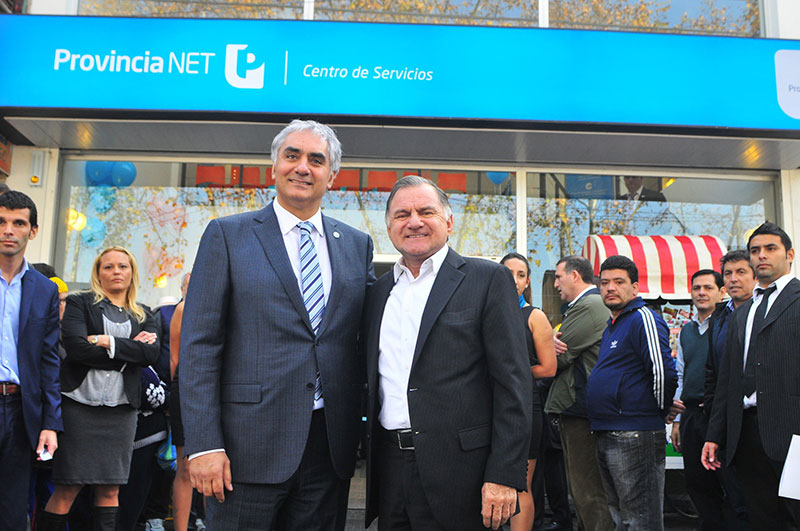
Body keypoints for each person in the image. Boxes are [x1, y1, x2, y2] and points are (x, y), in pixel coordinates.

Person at [179, 119, 375, 530]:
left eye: (316, 160)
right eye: (292, 156)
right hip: (243, 451)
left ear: (332, 176)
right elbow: (199, 348)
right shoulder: (227, 235)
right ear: (274, 167)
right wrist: (204, 444)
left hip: (329, 450)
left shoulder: (357, 245)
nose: (303, 167)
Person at [363, 176, 532, 531]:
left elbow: (513, 385)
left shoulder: (488, 279)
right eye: (402, 214)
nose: (414, 222)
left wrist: (504, 474)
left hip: (463, 477)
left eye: (426, 212)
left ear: (449, 221)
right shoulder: (378, 292)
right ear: (389, 227)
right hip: (390, 470)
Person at [38, 246, 160, 531]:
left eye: (123, 266)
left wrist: (105, 341)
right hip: (78, 407)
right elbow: (77, 349)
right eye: (108, 267)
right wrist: (129, 352)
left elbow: (150, 355)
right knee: (68, 486)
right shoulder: (80, 303)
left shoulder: (143, 314)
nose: (116, 271)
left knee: (111, 488)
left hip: (121, 412)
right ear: (98, 273)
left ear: (132, 273)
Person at [703, 222, 800, 529]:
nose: (762, 256)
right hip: (745, 434)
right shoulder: (743, 312)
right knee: (759, 518)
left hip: (792, 434)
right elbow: (727, 381)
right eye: (755, 250)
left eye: (770, 249)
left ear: (790, 255)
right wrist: (714, 435)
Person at [586, 255, 678, 531]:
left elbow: (663, 372)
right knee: (621, 518)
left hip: (635, 432)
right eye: (604, 283)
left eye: (618, 282)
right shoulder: (612, 325)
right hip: (608, 429)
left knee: (641, 520)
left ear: (635, 287)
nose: (610, 288)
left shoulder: (643, 318)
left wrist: (659, 410)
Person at [0, 191, 61, 531]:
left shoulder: (44, 289)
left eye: (18, 223)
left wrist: (50, 423)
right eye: (1, 222)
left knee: (12, 512)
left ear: (33, 231)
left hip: (19, 410)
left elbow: (48, 361)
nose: (8, 230)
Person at [546, 255, 613, 531]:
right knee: (582, 488)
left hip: (581, 410)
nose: (555, 285)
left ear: (575, 276)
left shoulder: (589, 305)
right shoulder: (584, 306)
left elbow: (556, 358)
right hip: (578, 409)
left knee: (587, 490)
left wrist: (544, 342)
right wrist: (549, 340)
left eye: (558, 277)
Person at [500, 252, 557, 531]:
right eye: (508, 273)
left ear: (527, 282)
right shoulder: (487, 312)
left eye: (521, 274)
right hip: (489, 407)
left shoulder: (534, 315)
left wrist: (509, 373)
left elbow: (548, 368)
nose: (514, 279)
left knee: (520, 484)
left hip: (524, 406)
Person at [671, 269, 726, 530]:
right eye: (696, 288)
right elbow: (681, 374)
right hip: (691, 415)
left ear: (721, 292)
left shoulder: (728, 327)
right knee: (695, 481)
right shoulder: (687, 331)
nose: (701, 293)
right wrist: (678, 420)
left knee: (722, 481)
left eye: (708, 287)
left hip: (717, 414)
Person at [703, 250, 753, 529]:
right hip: (725, 425)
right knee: (732, 501)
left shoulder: (764, 312)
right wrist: (714, 425)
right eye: (728, 274)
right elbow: (714, 372)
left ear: (755, 275)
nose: (733, 279)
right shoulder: (719, 316)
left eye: (741, 272)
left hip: (757, 424)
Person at [169, 273, 196, 531]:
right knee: (185, 466)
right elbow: (174, 360)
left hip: (227, 392)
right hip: (188, 390)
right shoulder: (183, 309)